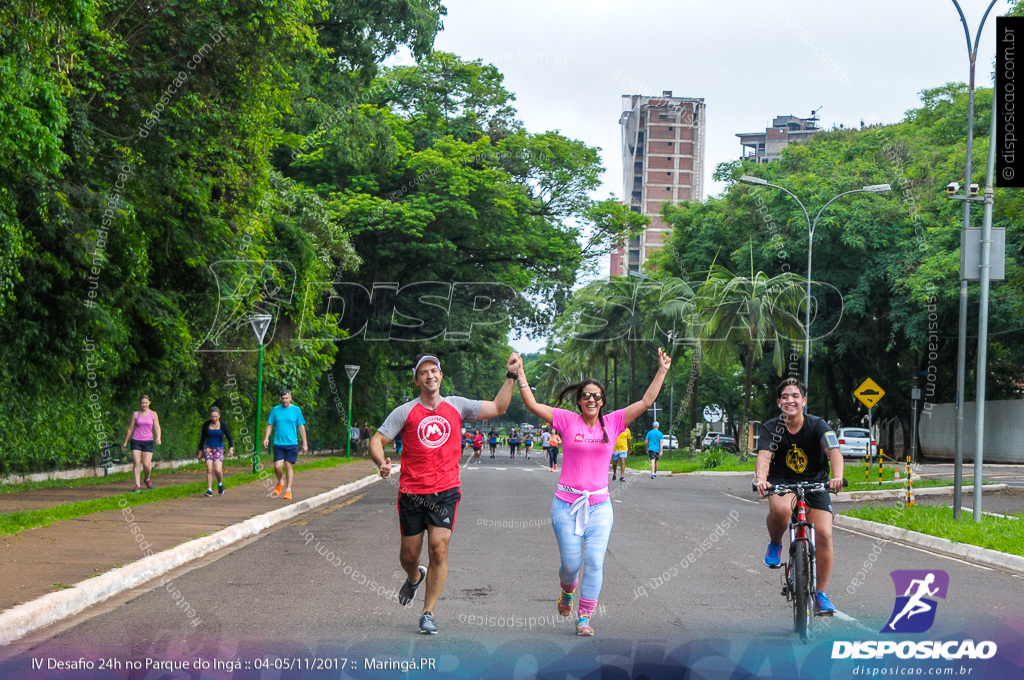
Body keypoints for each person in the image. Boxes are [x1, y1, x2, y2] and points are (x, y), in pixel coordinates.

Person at [515, 348, 671, 636]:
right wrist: (520, 372)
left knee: (595, 561)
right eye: (586, 395)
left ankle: (584, 617)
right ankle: (567, 591)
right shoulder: (565, 420)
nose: (591, 399)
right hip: (566, 504)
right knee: (571, 565)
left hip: (599, 505)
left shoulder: (613, 423)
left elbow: (647, 400)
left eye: (596, 396)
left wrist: (662, 369)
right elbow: (532, 404)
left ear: (602, 402)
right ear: (579, 401)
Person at [369, 352, 519, 635]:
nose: (430, 375)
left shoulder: (458, 406)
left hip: (445, 491)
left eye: (434, 370)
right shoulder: (405, 411)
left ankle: (428, 612)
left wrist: (511, 375)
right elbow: (377, 439)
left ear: (441, 376)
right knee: (409, 556)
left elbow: (499, 407)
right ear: (417, 380)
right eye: (423, 372)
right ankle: (414, 577)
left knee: (438, 549)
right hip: (412, 493)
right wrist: (382, 462)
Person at [755, 378, 844, 615]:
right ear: (779, 402)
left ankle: (821, 594)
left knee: (824, 534)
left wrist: (838, 477)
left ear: (803, 401)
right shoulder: (771, 428)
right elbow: (764, 457)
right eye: (785, 396)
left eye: (795, 396)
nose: (790, 400)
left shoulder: (818, 425)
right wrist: (762, 479)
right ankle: (775, 543)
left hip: (816, 483)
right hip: (783, 482)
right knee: (782, 510)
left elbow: (833, 451)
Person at [263, 389, 308, 501]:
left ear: (290, 398)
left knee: (288, 465)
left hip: (292, 443)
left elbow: (301, 427)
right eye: (283, 398)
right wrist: (266, 438)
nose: (284, 400)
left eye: (286, 398)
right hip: (279, 443)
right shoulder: (276, 410)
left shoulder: (296, 410)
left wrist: (305, 443)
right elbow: (270, 425)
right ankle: (280, 482)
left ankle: (288, 490)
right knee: (277, 467)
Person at [122, 395, 162, 492]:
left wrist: (158, 437)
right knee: (136, 463)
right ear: (140, 404)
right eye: (142, 403)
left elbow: (157, 427)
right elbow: (131, 428)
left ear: (149, 403)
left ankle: (147, 479)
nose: (144, 404)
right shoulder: (136, 414)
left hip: (148, 441)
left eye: (146, 403)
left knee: (146, 465)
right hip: (136, 440)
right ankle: (137, 485)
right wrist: (125, 442)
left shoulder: (153, 414)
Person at [196, 406, 234, 497]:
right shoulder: (206, 425)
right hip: (208, 448)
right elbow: (202, 438)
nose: (214, 418)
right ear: (210, 416)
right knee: (209, 469)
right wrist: (200, 451)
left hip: (218, 449)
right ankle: (209, 490)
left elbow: (229, 437)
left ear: (219, 416)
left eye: (216, 416)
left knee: (217, 470)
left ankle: (220, 484)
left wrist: (231, 448)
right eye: (212, 417)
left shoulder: (223, 425)